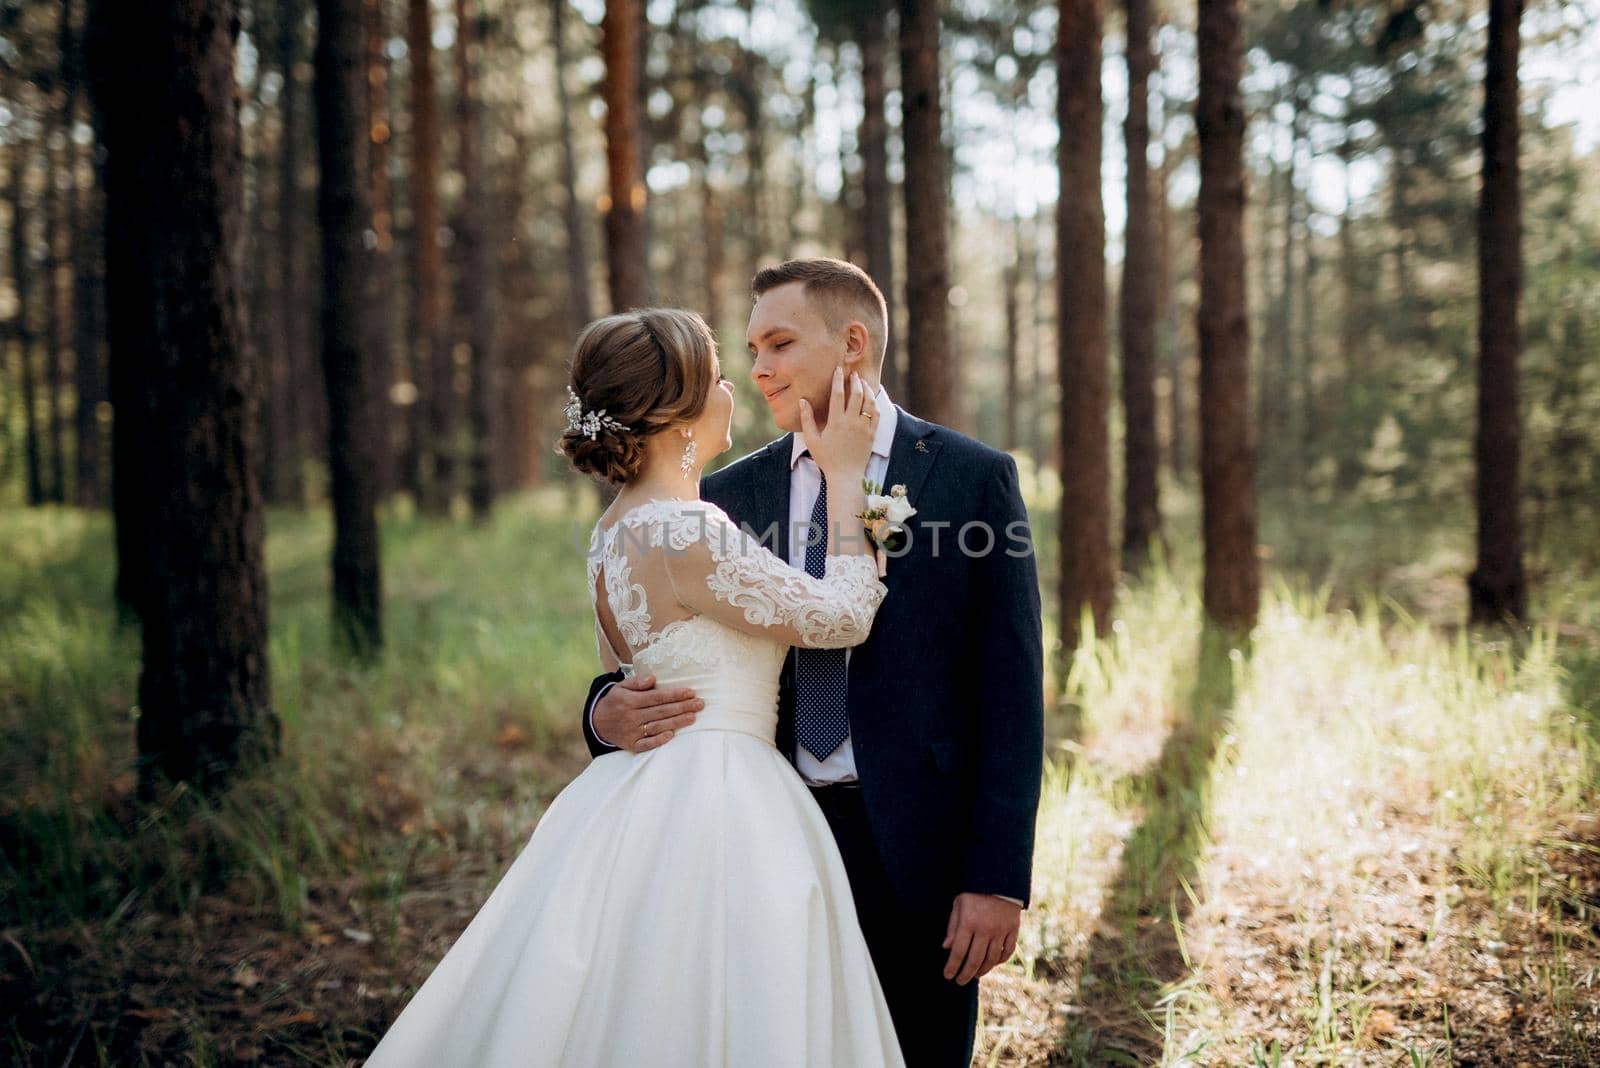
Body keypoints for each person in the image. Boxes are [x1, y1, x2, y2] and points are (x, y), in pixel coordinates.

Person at [365, 308, 904, 1067]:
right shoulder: (689, 531)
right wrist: (850, 479)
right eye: (716, 374)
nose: (732, 386)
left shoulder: (614, 531)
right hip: (722, 801)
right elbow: (844, 615)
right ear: (676, 414)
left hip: (639, 791)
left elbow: (637, 667)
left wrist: (605, 710)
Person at [583, 259, 1045, 1066]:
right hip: (757, 840)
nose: (757, 367)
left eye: (779, 343)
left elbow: (1011, 692)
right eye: (749, 349)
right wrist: (599, 713)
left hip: (922, 852)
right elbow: (662, 643)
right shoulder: (719, 496)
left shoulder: (973, 480)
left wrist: (998, 877)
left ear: (853, 344)